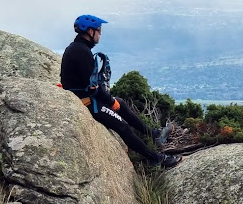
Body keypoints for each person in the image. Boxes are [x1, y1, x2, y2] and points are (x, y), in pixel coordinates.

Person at [60, 14, 182, 168]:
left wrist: (113, 101)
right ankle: (157, 159)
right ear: (90, 32)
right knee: (122, 125)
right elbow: (93, 88)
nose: (100, 34)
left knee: (121, 103)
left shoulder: (76, 48)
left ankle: (155, 135)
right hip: (86, 103)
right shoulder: (82, 53)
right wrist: (111, 101)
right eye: (99, 30)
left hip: (83, 98)